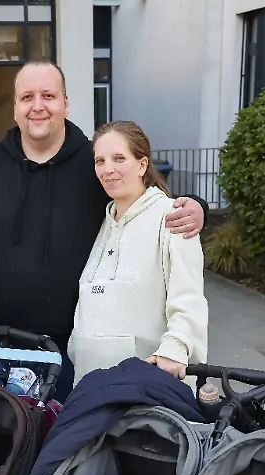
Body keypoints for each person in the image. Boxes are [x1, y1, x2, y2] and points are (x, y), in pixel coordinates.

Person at [0, 60, 208, 404]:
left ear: (65, 103)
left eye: (48, 95)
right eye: (27, 97)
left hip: (68, 350)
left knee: (60, 443)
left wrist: (195, 205)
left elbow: (138, 192)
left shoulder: (92, 163)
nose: (38, 106)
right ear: (16, 108)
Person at [68, 120, 208, 385]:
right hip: (90, 389)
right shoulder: (102, 223)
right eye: (100, 161)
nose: (108, 169)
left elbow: (189, 297)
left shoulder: (172, 217)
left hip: (146, 391)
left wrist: (176, 348)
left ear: (142, 164)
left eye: (119, 158)